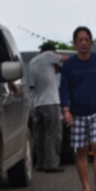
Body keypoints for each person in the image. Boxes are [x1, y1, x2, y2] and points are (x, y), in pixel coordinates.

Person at [60, 26, 96, 191]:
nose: (83, 43)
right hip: (77, 113)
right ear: (75, 43)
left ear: (91, 42)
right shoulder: (69, 65)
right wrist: (65, 110)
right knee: (81, 151)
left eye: (86, 40)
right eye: (80, 40)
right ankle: (85, 189)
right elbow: (64, 90)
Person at [30, 43, 68, 173]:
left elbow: (52, 71)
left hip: (38, 103)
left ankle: (40, 163)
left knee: (40, 136)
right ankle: (51, 164)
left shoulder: (34, 61)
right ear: (51, 51)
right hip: (50, 102)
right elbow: (66, 59)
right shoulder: (48, 55)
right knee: (53, 135)